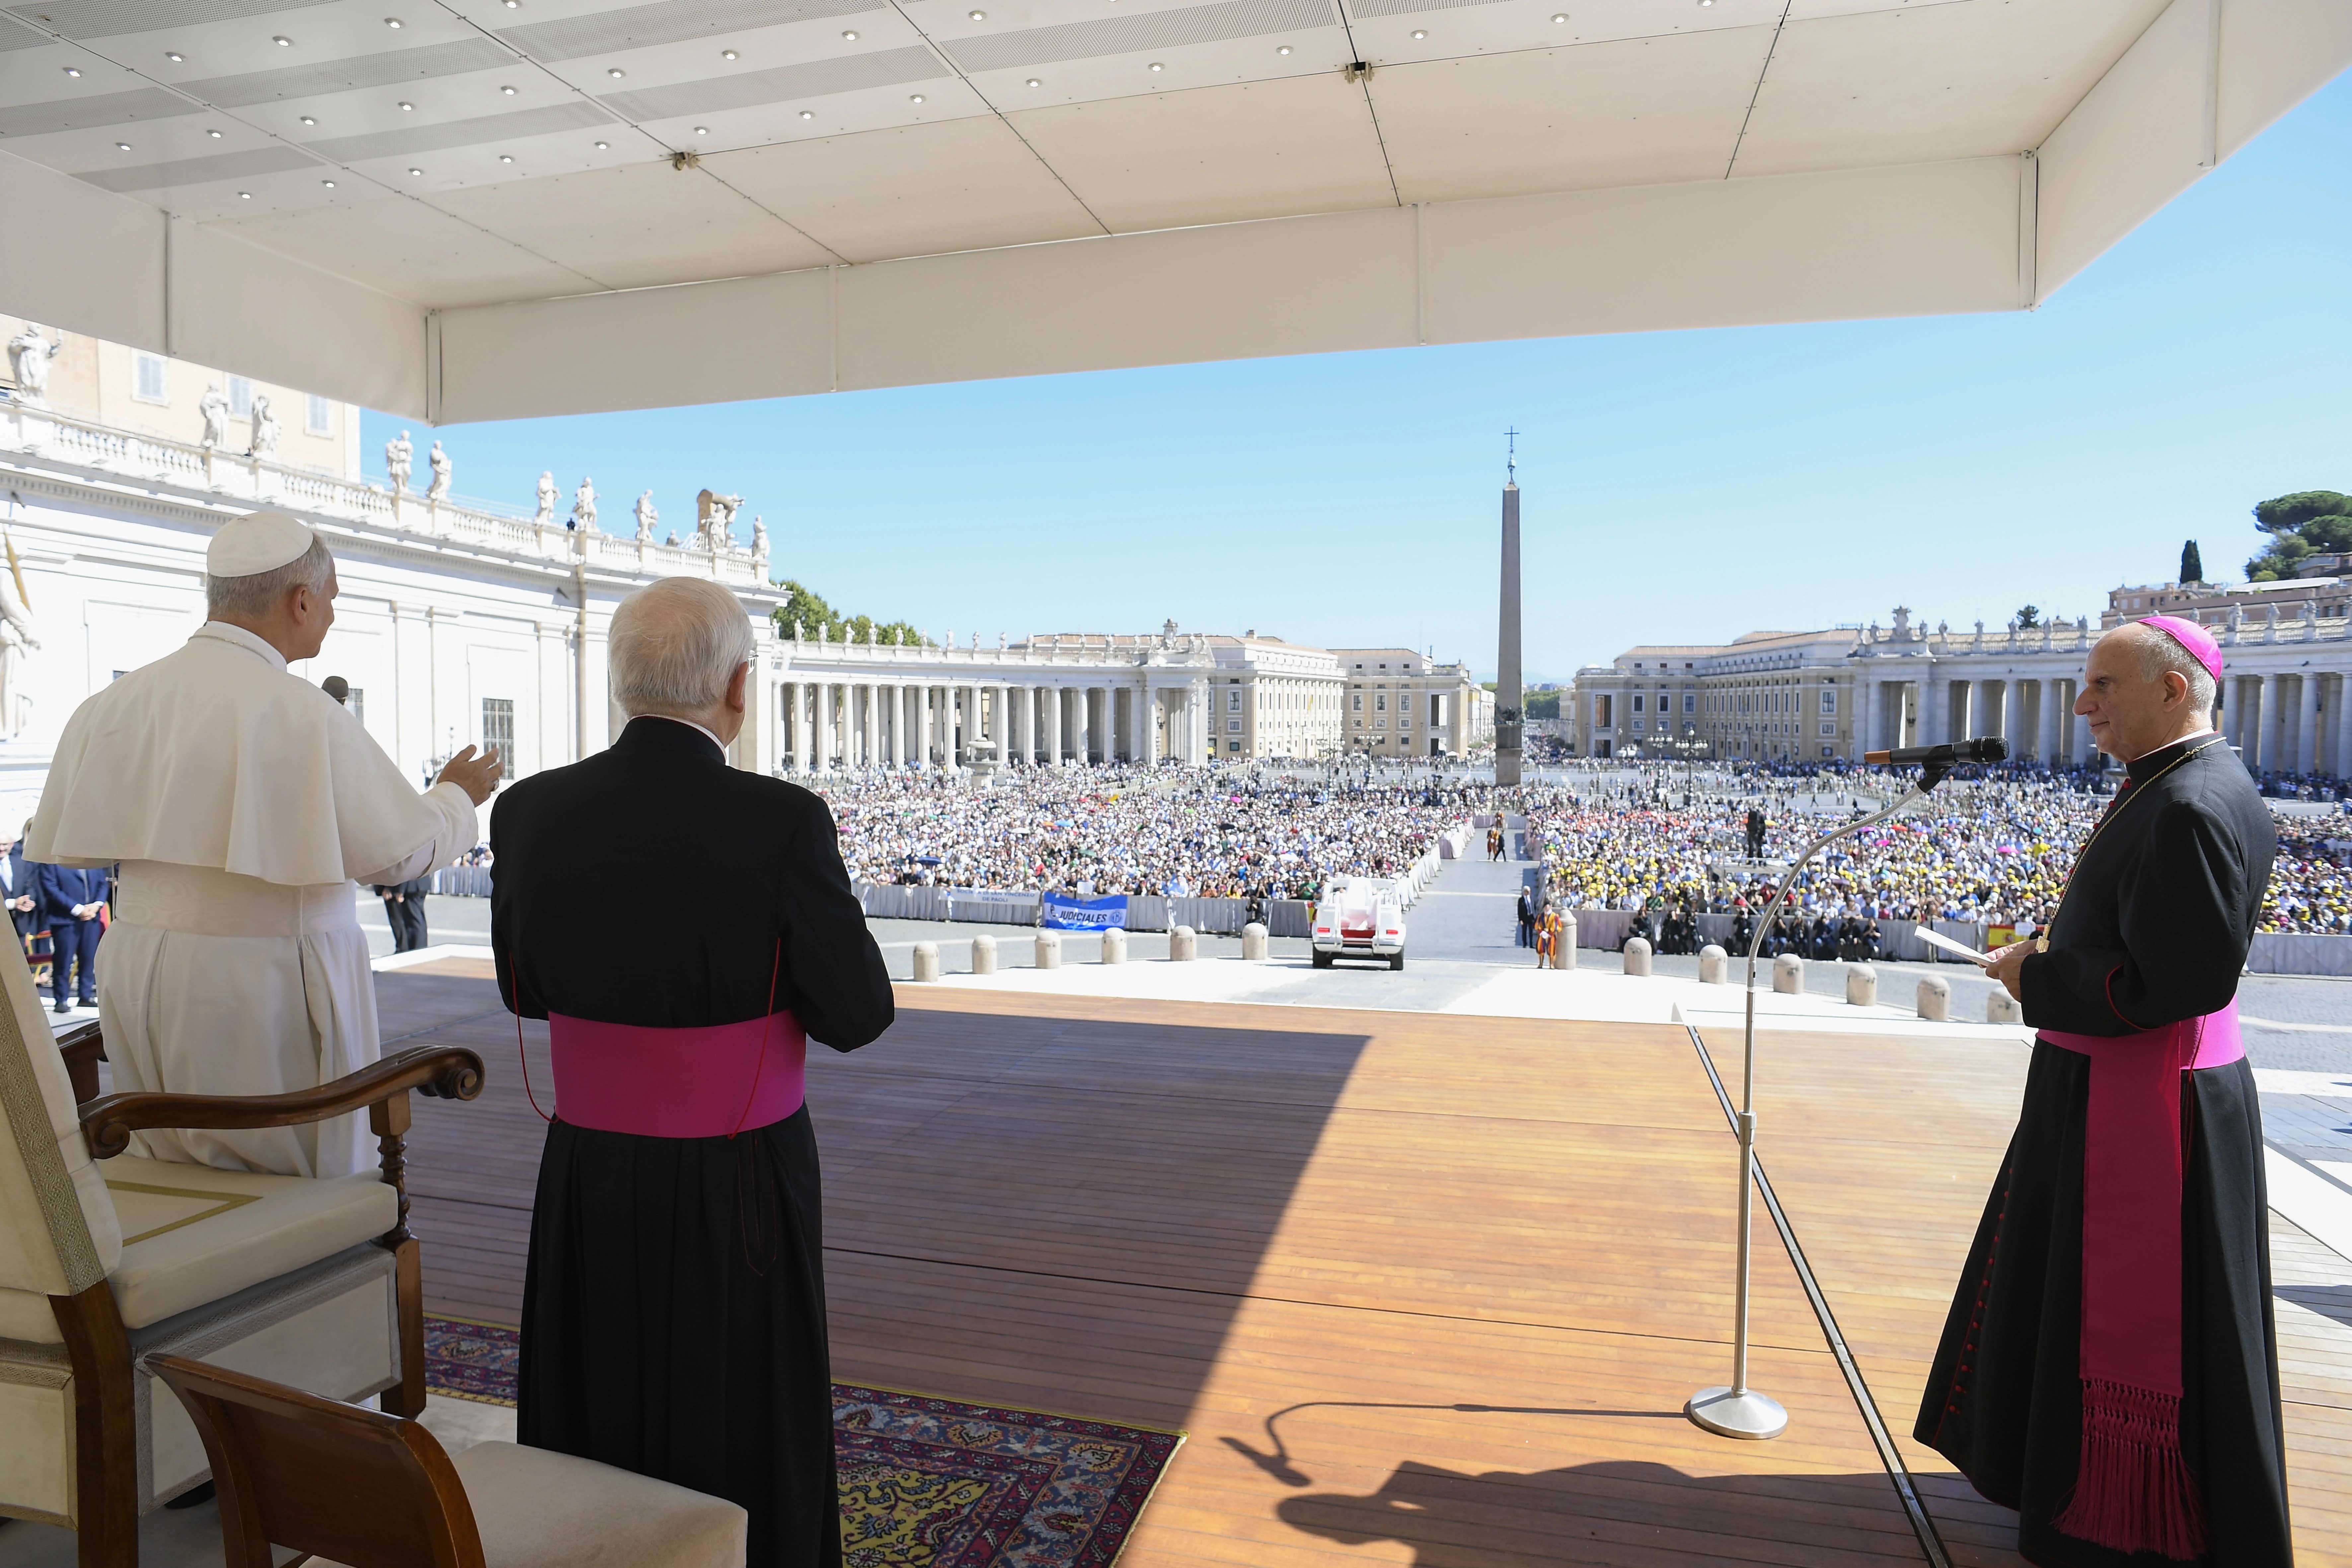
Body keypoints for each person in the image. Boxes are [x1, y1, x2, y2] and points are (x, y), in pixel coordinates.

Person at [490, 577, 894, 1568]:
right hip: (738, 1177)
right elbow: (858, 1014)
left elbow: (524, 989)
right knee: (738, 1395)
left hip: (590, 1171)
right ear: (740, 687)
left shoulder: (528, 810)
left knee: (599, 1378)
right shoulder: (782, 822)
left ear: (619, 687)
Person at [1916, 617, 2288, 1567]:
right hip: (2135, 1081)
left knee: (2124, 1309)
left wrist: (2033, 976)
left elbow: (2177, 981)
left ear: (2172, 689)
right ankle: (2061, 1472)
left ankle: (2128, 1519)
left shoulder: (2186, 806)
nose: (2081, 703)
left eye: (2102, 684)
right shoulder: (2177, 785)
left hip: (2144, 1098)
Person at [27, 510, 499, 1176]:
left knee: (168, 1158)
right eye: (331, 600)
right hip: (264, 981)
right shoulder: (304, 712)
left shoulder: (110, 704)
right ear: (300, 600)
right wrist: (455, 795)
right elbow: (399, 854)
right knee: (291, 1173)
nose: (331, 615)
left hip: (137, 970)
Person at [37, 859, 106, 1013]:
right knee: (63, 960)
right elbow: (51, 888)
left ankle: (86, 996)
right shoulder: (52, 862)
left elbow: (103, 883)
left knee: (88, 958)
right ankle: (61, 999)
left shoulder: (93, 859)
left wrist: (97, 905)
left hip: (91, 918)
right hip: (65, 919)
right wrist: (77, 909)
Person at [373, 873, 430, 952]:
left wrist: (398, 889)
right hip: (417, 880)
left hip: (406, 884)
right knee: (417, 921)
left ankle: (413, 952)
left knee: (410, 923)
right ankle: (417, 952)